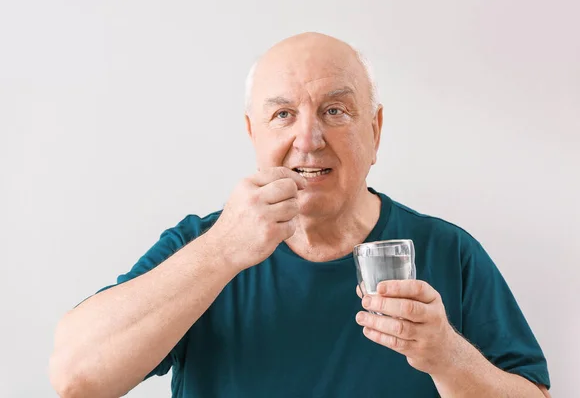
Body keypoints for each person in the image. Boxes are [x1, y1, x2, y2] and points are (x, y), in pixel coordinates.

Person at [49, 32, 551, 398]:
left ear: (375, 131)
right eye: (283, 114)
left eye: (335, 111)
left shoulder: (447, 251)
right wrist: (222, 252)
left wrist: (447, 355)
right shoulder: (201, 245)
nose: (308, 140)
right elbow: (75, 377)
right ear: (253, 133)